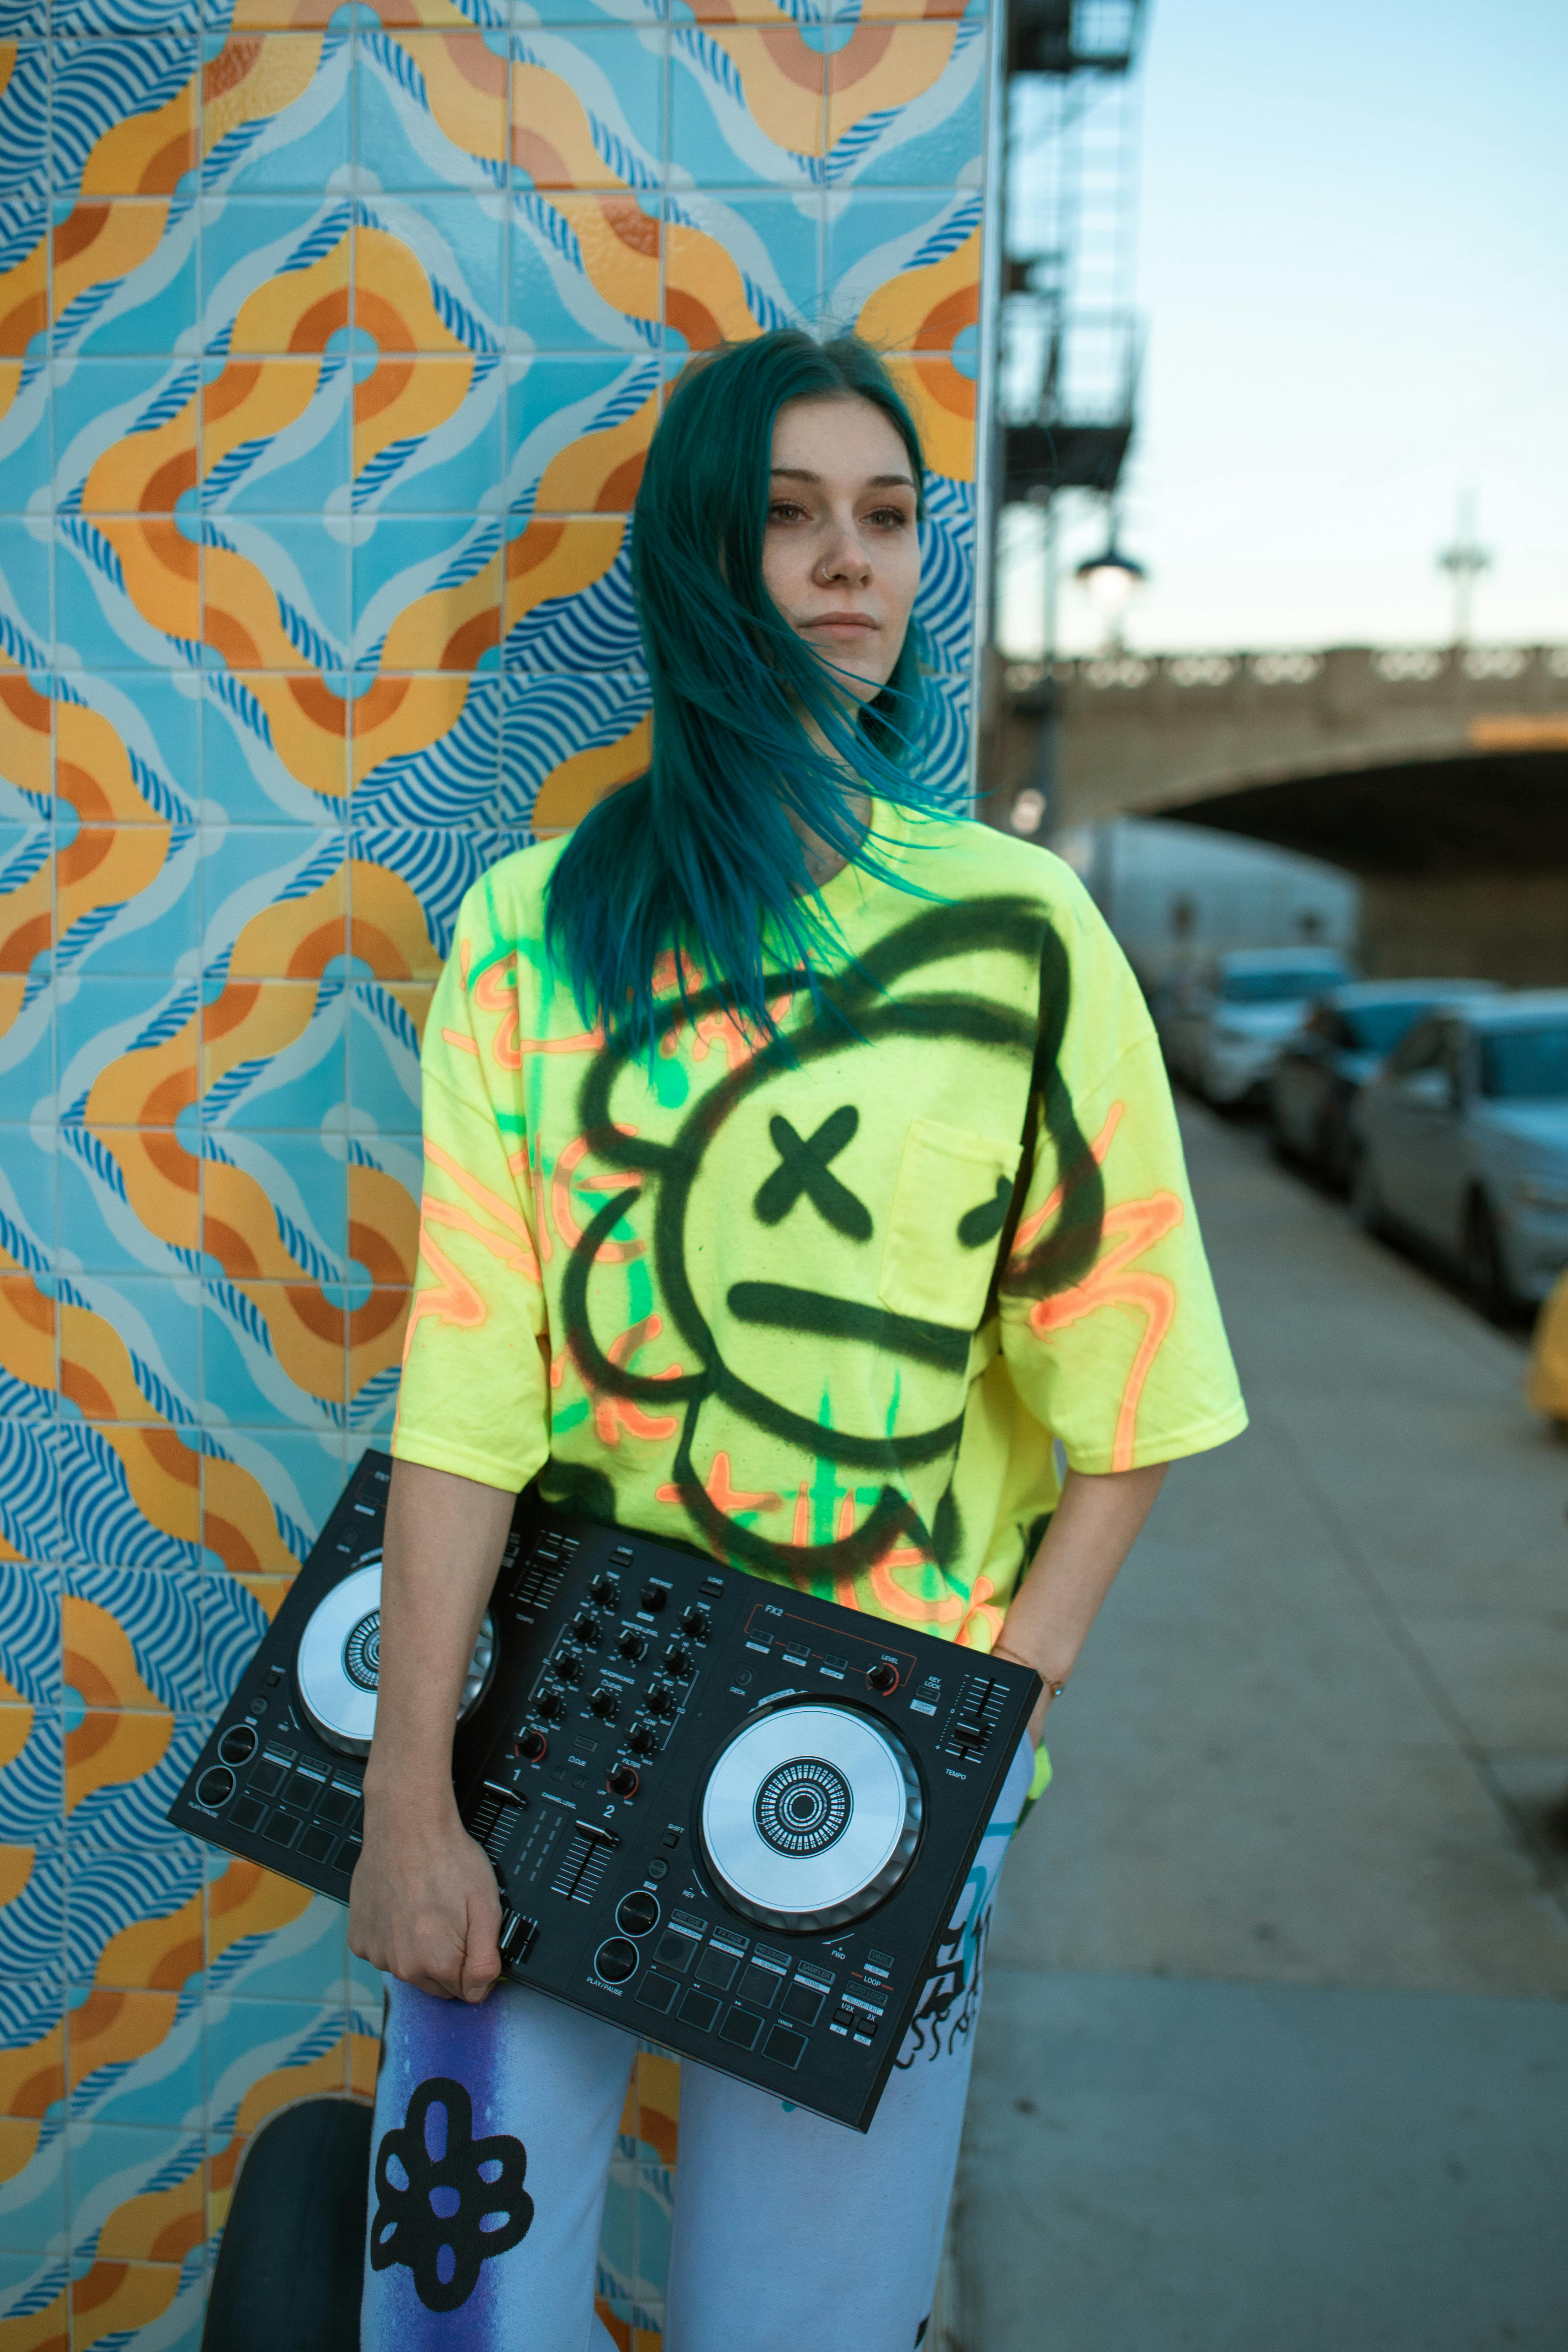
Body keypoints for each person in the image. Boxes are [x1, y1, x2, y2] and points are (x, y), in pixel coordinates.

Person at [350, 329, 1247, 2350]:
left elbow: (1136, 1378)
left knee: (806, 2331)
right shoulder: (529, 930)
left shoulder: (1017, 927)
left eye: (885, 514)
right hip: (552, 1723)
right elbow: (471, 1394)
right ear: (693, 551)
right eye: (784, 514)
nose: (848, 558)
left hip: (878, 1753)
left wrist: (993, 1716)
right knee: (451, 2315)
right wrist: (413, 1795)